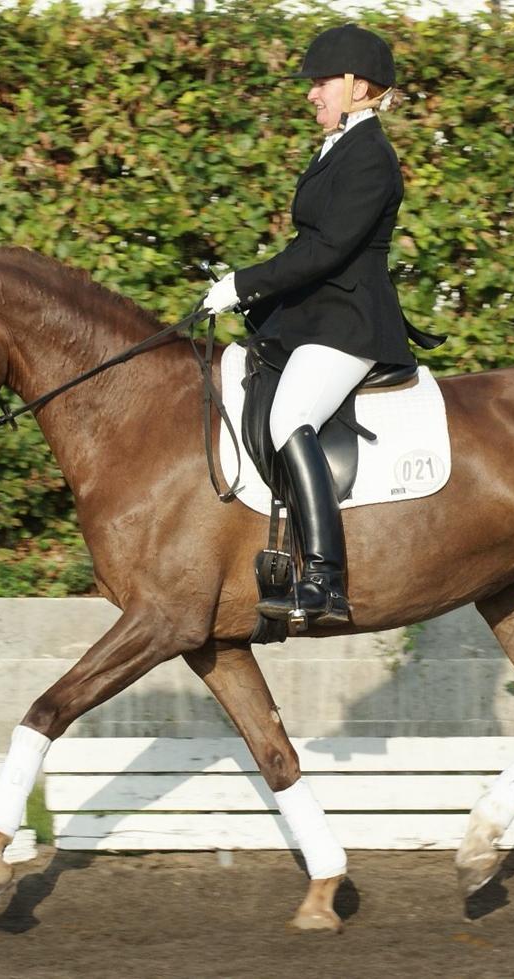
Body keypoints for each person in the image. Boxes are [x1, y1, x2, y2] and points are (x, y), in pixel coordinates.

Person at [203, 23, 438, 628]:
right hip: (318, 316)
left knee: (289, 417)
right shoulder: (338, 146)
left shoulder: (372, 156)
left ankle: (324, 579)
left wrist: (243, 283)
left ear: (359, 87)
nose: (312, 94)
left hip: (351, 323)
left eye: (322, 83)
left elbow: (327, 251)